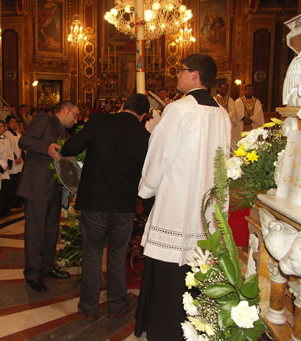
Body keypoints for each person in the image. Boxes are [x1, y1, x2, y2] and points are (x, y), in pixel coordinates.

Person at [134, 54, 231, 340]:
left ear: (195, 75)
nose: (177, 74)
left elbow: (159, 154)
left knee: (169, 273)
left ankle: (165, 331)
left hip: (176, 207)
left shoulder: (179, 110)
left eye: (181, 70)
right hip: (206, 210)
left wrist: (145, 190)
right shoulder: (222, 114)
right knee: (196, 270)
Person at [61, 94, 150, 320]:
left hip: (94, 202)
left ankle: (89, 308)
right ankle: (116, 305)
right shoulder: (145, 136)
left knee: (92, 254)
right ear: (144, 116)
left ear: (122, 106)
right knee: (117, 255)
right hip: (123, 205)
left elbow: (70, 148)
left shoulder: (99, 122)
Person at [16, 102, 78, 292]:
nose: (76, 120)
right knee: (35, 232)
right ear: (65, 110)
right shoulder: (44, 119)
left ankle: (47, 266)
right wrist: (46, 147)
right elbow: (24, 141)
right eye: (74, 115)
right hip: (37, 186)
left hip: (55, 188)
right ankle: (33, 274)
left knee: (51, 230)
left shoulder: (65, 133)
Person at [4, 115, 23, 209]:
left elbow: (23, 147)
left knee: (19, 183)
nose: (14, 124)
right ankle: (12, 203)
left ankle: (19, 202)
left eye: (15, 122)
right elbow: (9, 149)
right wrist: (15, 158)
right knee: (12, 184)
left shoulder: (19, 135)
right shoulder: (6, 135)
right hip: (14, 162)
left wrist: (22, 157)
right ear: (7, 124)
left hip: (20, 162)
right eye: (12, 122)